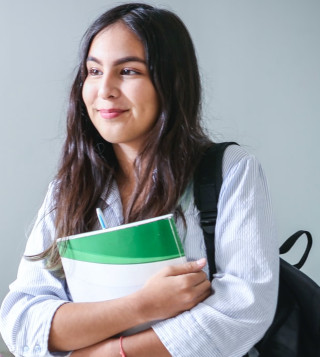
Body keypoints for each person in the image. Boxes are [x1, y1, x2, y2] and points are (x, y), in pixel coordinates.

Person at [0, 3, 279, 357]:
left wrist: (103, 353)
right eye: (94, 71)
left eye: (128, 71)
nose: (105, 90)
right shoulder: (70, 186)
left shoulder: (230, 170)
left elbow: (242, 311)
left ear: (171, 81)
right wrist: (143, 305)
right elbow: (22, 320)